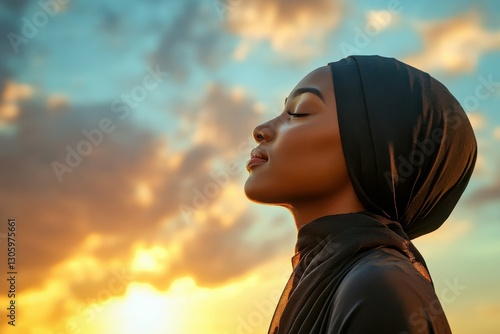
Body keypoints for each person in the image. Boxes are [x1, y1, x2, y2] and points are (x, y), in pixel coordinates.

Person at [244, 55, 477, 334]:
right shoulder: (329, 275)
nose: (261, 130)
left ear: (373, 147)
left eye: (299, 111)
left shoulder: (378, 286)